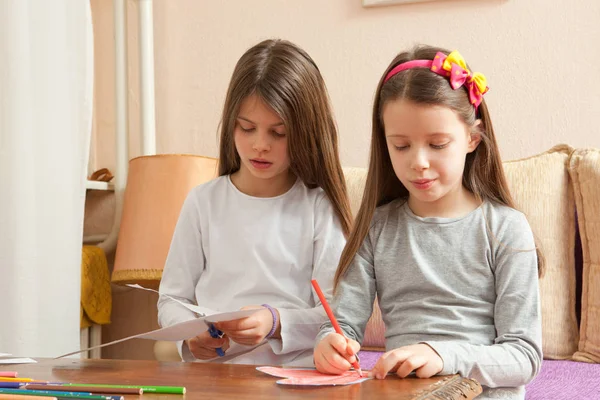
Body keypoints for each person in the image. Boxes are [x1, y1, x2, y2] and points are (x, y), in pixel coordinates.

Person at [314, 45, 543, 399]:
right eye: (401, 146)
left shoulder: (506, 229)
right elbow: (342, 325)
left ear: (472, 138)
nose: (418, 162)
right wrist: (329, 344)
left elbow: (523, 356)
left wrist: (441, 355)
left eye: (437, 144)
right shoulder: (377, 227)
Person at [158, 39, 352, 366]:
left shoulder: (317, 207)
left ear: (306, 132)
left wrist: (275, 321)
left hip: (293, 374)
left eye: (278, 133)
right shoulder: (203, 202)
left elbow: (337, 314)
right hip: (214, 377)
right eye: (247, 128)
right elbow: (171, 298)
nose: (259, 145)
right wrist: (189, 334)